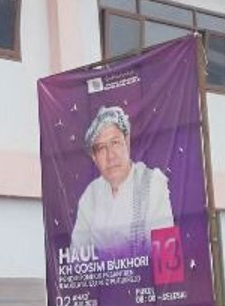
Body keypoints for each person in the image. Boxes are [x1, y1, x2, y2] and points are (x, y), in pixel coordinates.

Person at [70, 105, 174, 258]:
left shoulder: (152, 183)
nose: (110, 155)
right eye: (101, 148)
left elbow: (167, 257)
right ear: (94, 157)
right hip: (102, 280)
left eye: (115, 143)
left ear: (127, 142)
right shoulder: (90, 195)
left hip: (146, 280)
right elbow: (77, 255)